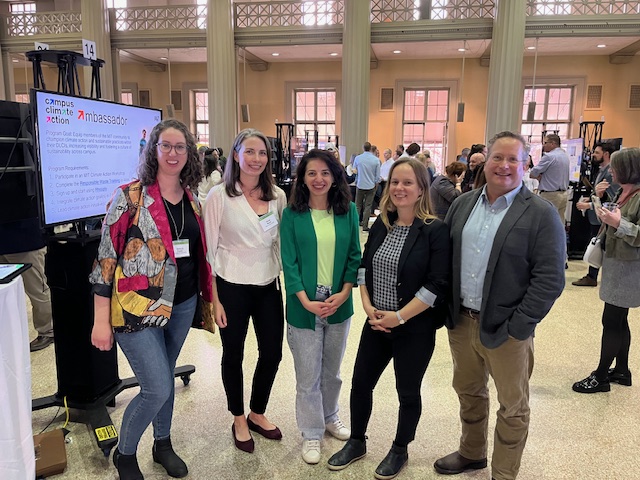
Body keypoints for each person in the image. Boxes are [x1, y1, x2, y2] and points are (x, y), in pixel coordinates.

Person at [434, 131, 565, 480]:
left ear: (525, 166)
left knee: (513, 407)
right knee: (468, 391)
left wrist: (520, 326)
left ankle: (504, 473)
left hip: (508, 329)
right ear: (485, 160)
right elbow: (445, 260)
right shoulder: (463, 204)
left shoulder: (540, 214)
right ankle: (472, 452)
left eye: (513, 160)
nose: (504, 166)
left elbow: (550, 279)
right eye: (497, 157)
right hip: (462, 322)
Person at [90, 119, 214, 479]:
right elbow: (105, 260)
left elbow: (196, 252)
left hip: (183, 302)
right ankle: (125, 455)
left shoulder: (192, 199)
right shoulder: (129, 196)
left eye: (180, 147)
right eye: (166, 146)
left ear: (189, 153)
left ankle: (163, 444)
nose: (173, 153)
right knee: (157, 385)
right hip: (136, 308)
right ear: (153, 150)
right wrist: (100, 320)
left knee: (166, 377)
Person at [328, 158, 451, 480]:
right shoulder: (382, 223)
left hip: (413, 327)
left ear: (422, 188)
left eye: (408, 182)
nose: (399, 188)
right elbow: (364, 268)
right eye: (395, 181)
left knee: (407, 391)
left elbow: (437, 284)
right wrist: (368, 306)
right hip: (376, 323)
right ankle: (357, 442)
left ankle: (400, 448)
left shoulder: (435, 231)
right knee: (360, 384)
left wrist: (398, 317)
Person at [204, 128, 287, 453]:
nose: (256, 159)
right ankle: (238, 417)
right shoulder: (219, 196)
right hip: (231, 287)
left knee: (272, 353)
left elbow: (280, 242)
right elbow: (209, 251)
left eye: (262, 153)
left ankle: (257, 411)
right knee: (233, 354)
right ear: (236, 154)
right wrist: (214, 298)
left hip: (268, 285)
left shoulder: (277, 196)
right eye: (249, 152)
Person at [280, 149, 361, 464]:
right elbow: (290, 263)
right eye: (311, 173)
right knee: (308, 375)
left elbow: (355, 254)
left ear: (335, 176)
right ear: (302, 178)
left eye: (325, 173)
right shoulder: (292, 214)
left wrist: (344, 293)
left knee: (332, 372)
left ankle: (330, 416)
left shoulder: (348, 211)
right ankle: (311, 432)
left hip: (338, 304)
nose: (318, 179)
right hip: (304, 307)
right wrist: (305, 300)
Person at [572, 147, 640, 393]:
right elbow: (612, 218)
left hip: (629, 268)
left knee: (611, 320)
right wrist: (598, 205)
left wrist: (618, 223)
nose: (611, 170)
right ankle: (622, 370)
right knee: (619, 319)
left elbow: (632, 230)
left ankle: (600, 376)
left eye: (616, 167)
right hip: (617, 263)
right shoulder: (625, 192)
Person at [0, 218, 54, 351]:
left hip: (24, 241)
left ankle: (47, 331)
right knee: (5, 293)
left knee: (37, 290)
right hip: (4, 241)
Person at [573, 142, 619, 286]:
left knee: (600, 245)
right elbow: (599, 193)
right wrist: (591, 197)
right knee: (596, 244)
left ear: (606, 154)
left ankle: (593, 276)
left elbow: (611, 199)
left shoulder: (611, 173)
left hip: (603, 217)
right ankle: (592, 275)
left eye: (597, 153)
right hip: (596, 216)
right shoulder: (601, 170)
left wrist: (589, 205)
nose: (593, 155)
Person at [530, 134, 570, 226]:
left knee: (545, 223)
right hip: (563, 194)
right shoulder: (565, 156)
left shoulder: (549, 156)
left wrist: (538, 176)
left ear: (553, 143)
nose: (543, 145)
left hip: (550, 195)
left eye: (545, 142)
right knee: (559, 224)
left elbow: (533, 173)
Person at [352, 142, 381, 232]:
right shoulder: (376, 160)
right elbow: (377, 176)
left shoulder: (358, 158)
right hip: (371, 185)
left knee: (357, 206)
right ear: (371, 148)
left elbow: (354, 171)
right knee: (368, 206)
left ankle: (355, 224)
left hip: (360, 184)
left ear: (363, 148)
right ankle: (365, 225)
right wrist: (376, 184)